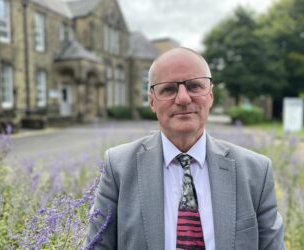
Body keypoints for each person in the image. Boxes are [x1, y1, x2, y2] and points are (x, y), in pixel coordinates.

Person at [87, 47, 285, 250]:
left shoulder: (256, 172)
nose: (183, 98)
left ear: (210, 96)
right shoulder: (119, 167)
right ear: (152, 101)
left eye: (194, 86)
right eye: (169, 89)